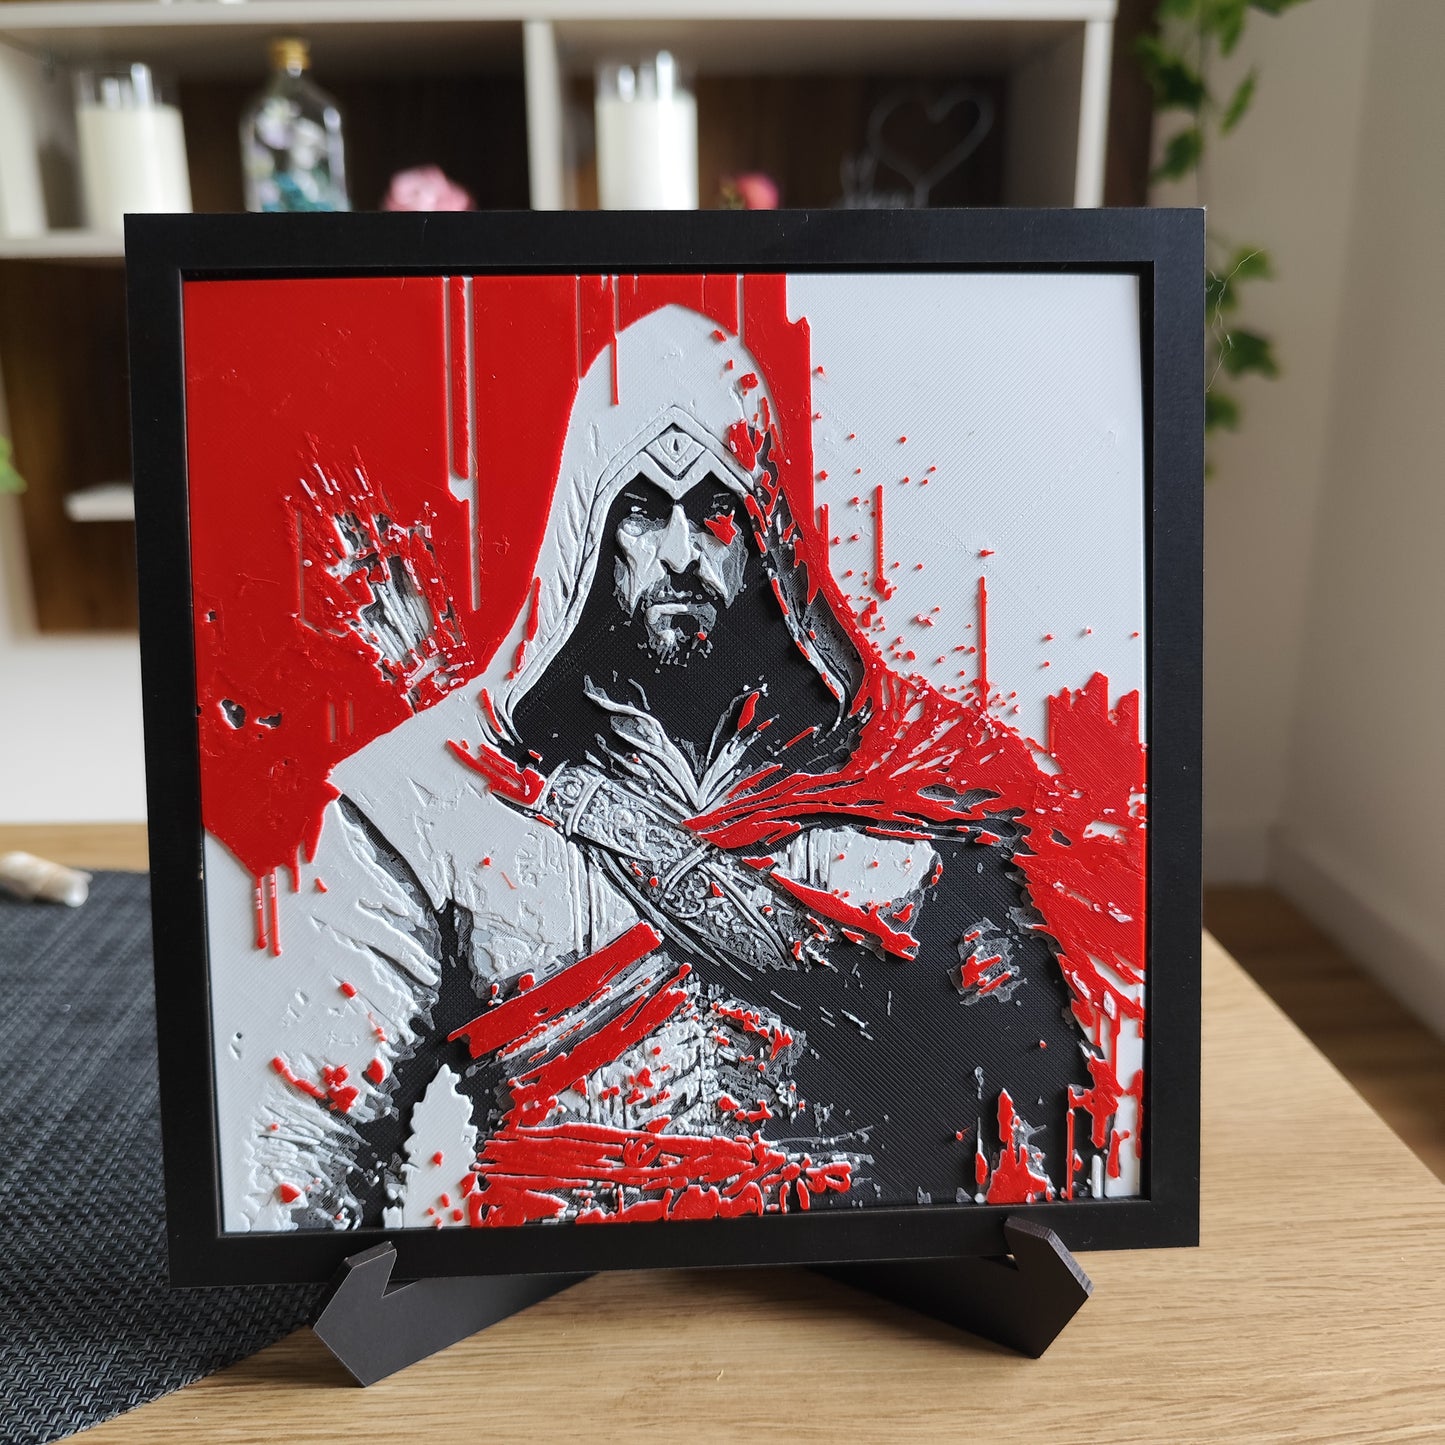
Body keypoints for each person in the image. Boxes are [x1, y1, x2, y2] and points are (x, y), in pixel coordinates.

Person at [222, 302, 1095, 1233]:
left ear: (764, 532)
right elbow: (310, 1146)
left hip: (847, 1279)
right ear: (588, 531)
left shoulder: (912, 781)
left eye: (714, 511)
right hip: (555, 1288)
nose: (681, 553)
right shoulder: (434, 798)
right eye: (643, 509)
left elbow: (1033, 1089)